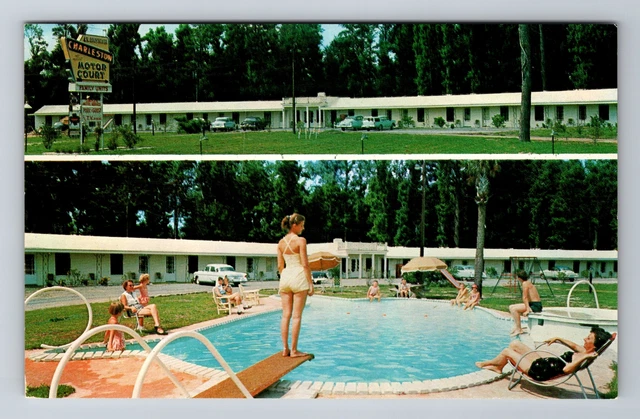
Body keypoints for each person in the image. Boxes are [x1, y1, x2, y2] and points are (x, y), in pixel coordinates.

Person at [475, 326, 612, 380]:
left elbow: (567, 369)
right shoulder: (586, 351)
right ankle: (498, 367)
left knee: (507, 351)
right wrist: (558, 338)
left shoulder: (585, 357)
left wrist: (584, 357)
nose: (584, 339)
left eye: (588, 338)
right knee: (515, 344)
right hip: (544, 363)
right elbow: (574, 345)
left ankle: (490, 364)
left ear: (594, 345)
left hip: (539, 371)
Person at [277, 213, 314, 358]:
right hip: (298, 276)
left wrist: (285, 277)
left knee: (285, 315)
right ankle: (293, 350)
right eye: (302, 225)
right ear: (294, 225)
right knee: (296, 316)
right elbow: (305, 264)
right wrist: (310, 283)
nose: (303, 228)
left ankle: (285, 349)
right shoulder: (301, 241)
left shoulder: (280, 243)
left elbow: (280, 266)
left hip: (285, 277)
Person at [509, 270, 542, 336]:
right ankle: (517, 327)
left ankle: (519, 329)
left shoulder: (525, 284)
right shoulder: (527, 282)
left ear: (519, 278)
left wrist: (527, 309)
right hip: (533, 304)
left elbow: (525, 297)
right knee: (511, 307)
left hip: (535, 306)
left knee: (514, 309)